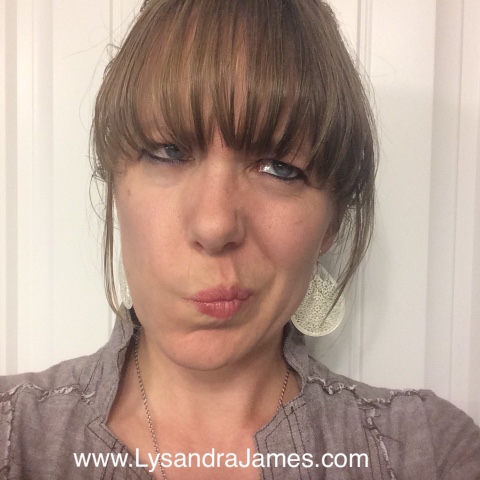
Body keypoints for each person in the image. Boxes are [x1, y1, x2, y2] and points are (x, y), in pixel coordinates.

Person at [1, 0, 479, 479]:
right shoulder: (14, 432)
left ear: (331, 225)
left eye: (280, 168)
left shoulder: (426, 451)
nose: (214, 226)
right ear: (115, 187)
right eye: (169, 151)